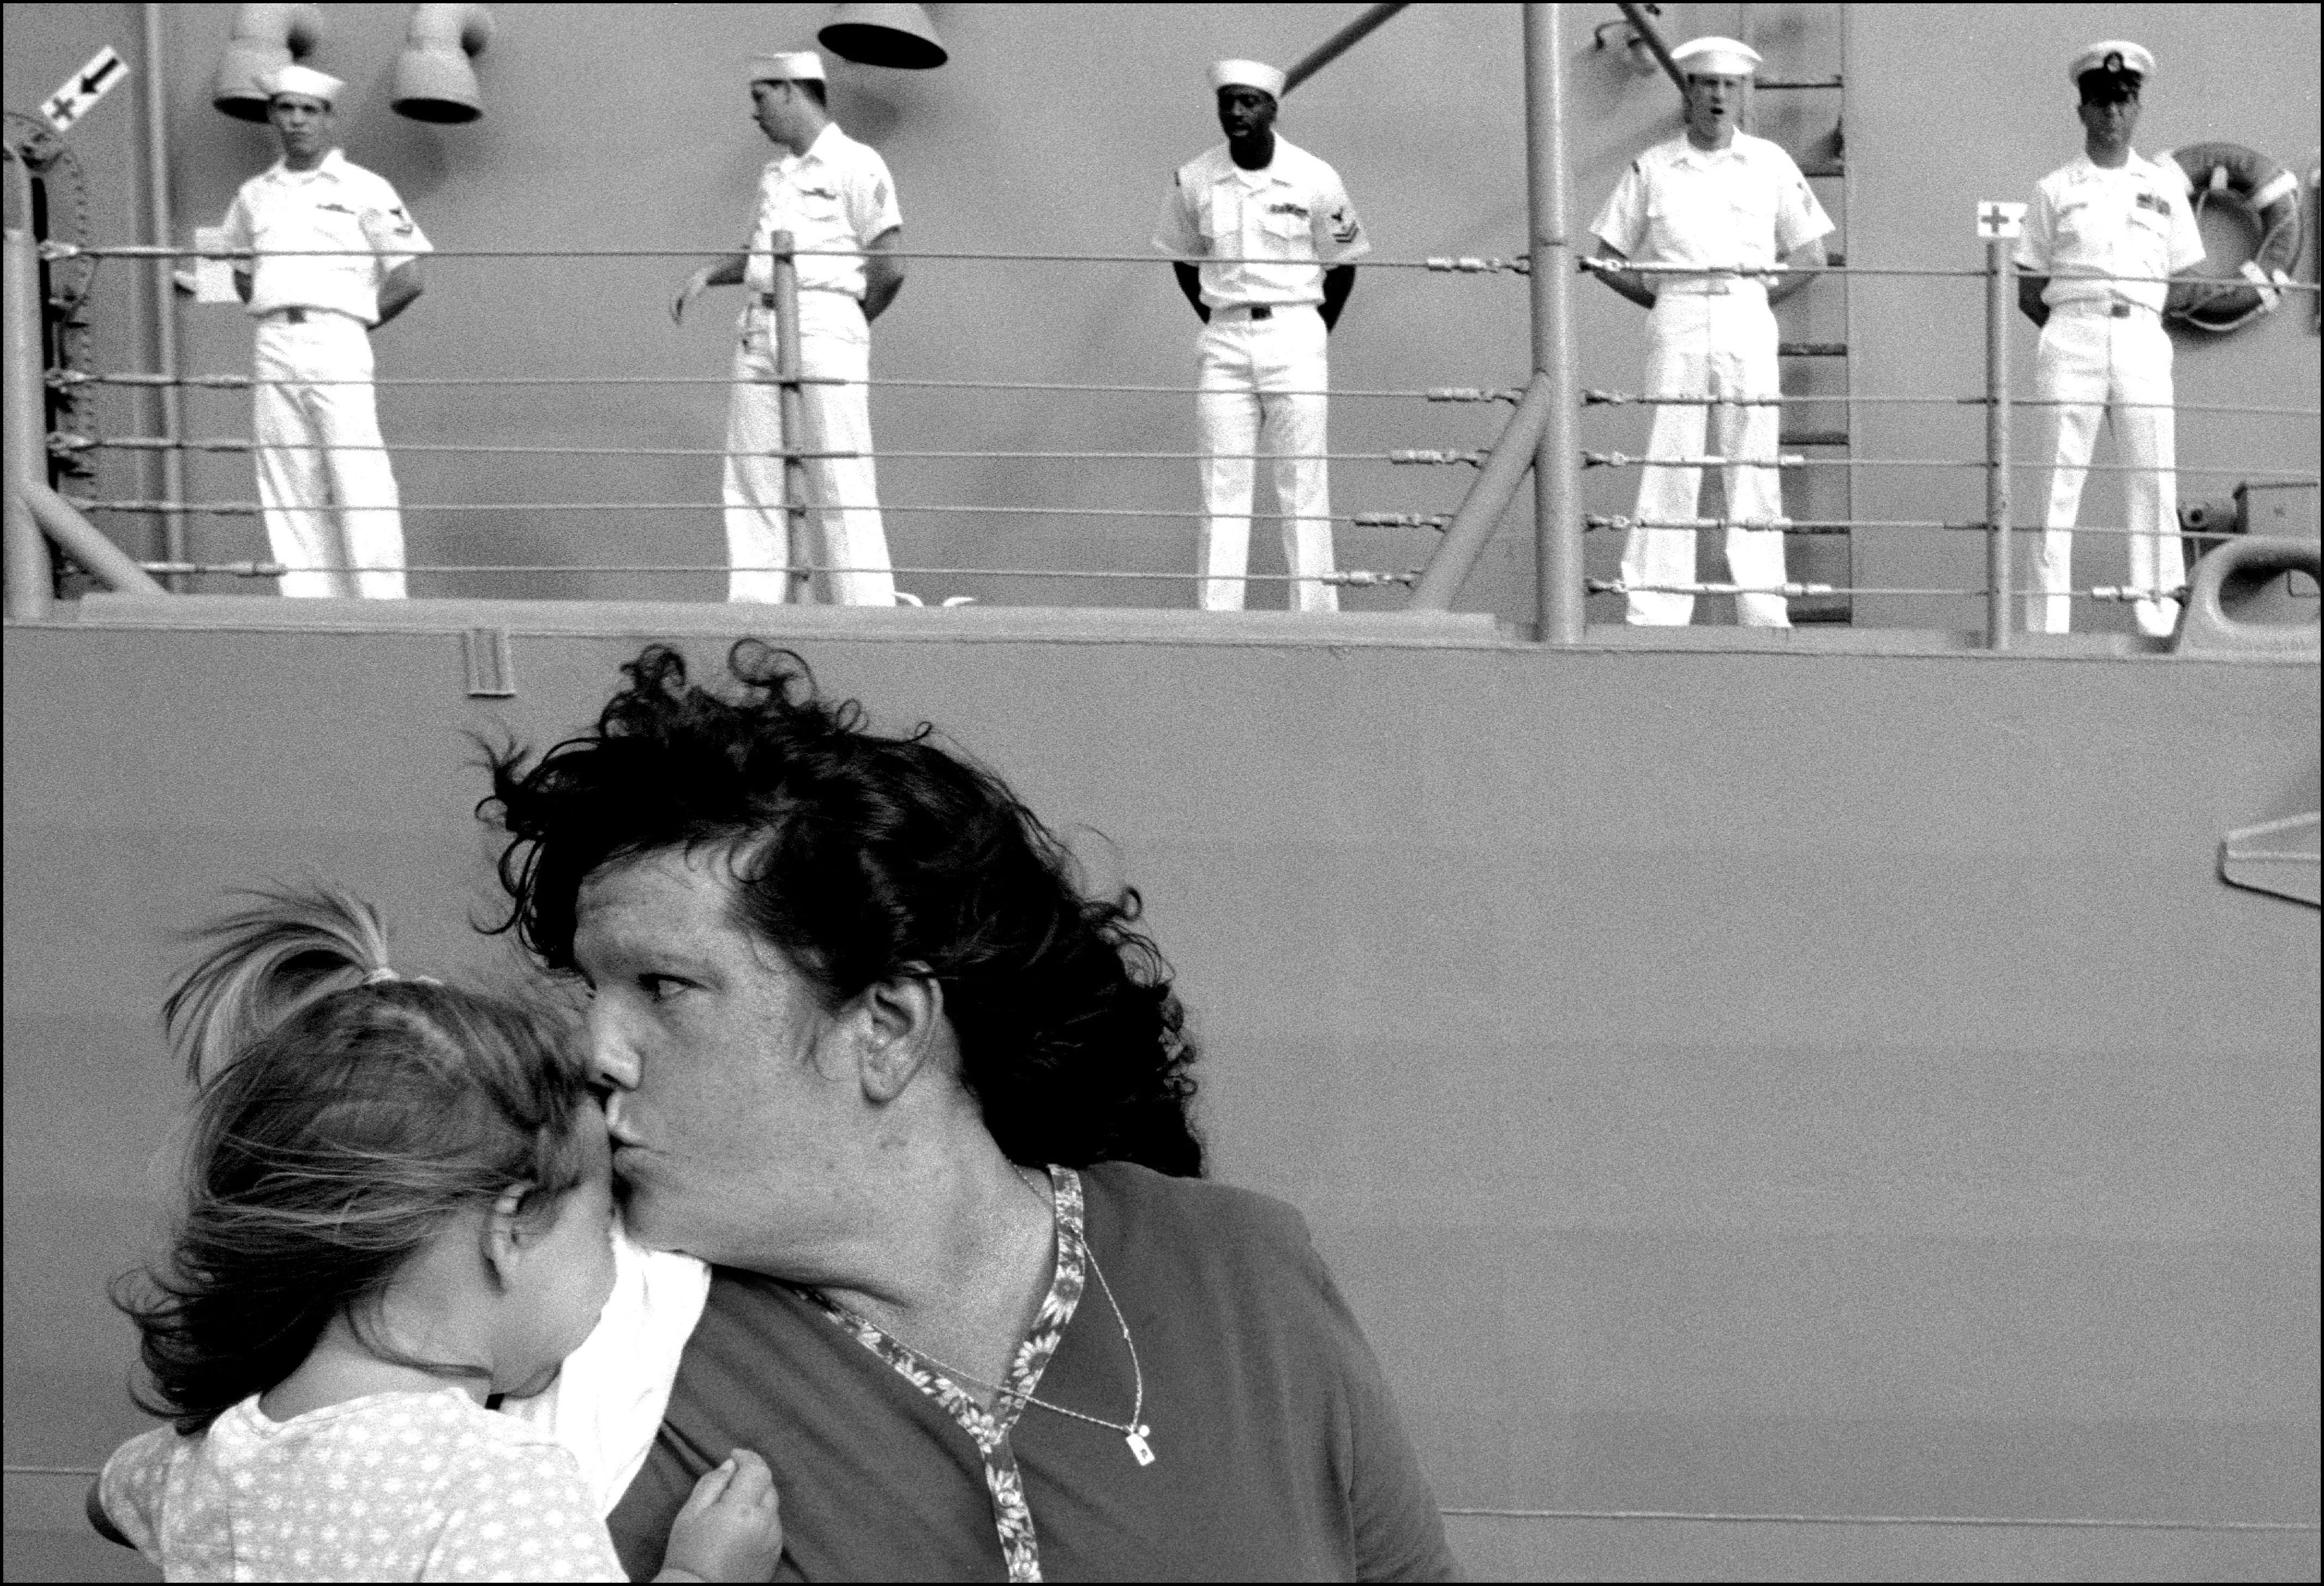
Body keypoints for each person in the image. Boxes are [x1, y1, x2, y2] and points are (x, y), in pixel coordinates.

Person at [482, 640, 1458, 1581]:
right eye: (593, 991)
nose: (593, 1051)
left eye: (663, 986)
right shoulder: (564, 1338)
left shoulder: (1246, 1271)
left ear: (888, 1025)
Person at [91, 885, 783, 1582]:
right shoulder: (496, 1485)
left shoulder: (208, 1457)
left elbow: (105, 1498)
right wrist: (702, 1576)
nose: (615, 1263)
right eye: (603, 1227)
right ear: (510, 1228)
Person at [1586, 37, 1832, 628]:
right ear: (1689, 92)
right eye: (1707, 85)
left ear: (1743, 93)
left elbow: (1811, 257)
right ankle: (1655, 608)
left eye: (1730, 85)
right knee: (1671, 459)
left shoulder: (1771, 164)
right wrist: (1660, 295)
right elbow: (1603, 256)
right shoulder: (1654, 167)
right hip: (1679, 314)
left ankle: (1763, 609)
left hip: (1748, 311)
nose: (1718, 96)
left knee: (1753, 462)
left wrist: (1755, 294)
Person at [674, 51, 903, 608]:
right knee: (752, 470)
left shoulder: (856, 163)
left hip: (825, 320)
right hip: (761, 326)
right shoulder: (775, 174)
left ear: (791, 90)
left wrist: (849, 320)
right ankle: (758, 603)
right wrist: (711, 274)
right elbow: (759, 252)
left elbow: (890, 263)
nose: (755, 113)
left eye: (760, 97)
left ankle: (865, 605)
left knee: (840, 471)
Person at [1153, 59, 1370, 614]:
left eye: (1249, 101)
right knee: (1221, 486)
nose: (1236, 112)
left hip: (1296, 333)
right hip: (1225, 339)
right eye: (1228, 102)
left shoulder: (1315, 177)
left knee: (1304, 482)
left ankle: (1316, 616)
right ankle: (1218, 618)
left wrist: (1314, 330)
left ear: (1273, 108)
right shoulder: (1194, 178)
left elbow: (1342, 262)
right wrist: (1219, 317)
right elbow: (1184, 258)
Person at [2014, 41, 2202, 639]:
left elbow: (2188, 276)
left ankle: (2159, 617)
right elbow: (2029, 286)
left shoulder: (2164, 188)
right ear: (2082, 110)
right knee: (2055, 487)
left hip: (2143, 336)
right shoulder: (2054, 189)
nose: (2113, 114)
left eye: (2123, 102)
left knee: (2153, 478)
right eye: (2101, 102)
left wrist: (2133, 323)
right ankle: (2047, 628)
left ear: (2138, 108)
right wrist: (2078, 327)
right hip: (2073, 335)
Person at [221, 64, 428, 599]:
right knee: (287, 477)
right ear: (272, 117)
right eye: (285, 109)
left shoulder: (366, 188)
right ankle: (310, 601)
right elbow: (243, 270)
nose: (296, 121)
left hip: (339, 341)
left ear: (329, 120)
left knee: (358, 472)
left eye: (308, 111)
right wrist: (279, 311)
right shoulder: (254, 196)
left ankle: (381, 600)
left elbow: (408, 277)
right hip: (274, 343)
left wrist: (351, 320)